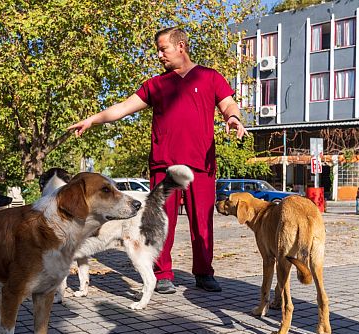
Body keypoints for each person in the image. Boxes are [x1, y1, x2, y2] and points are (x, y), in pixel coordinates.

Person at [68, 27, 247, 294]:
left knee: (202, 221)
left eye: (163, 49)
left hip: (201, 164)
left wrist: (233, 118)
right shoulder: (156, 85)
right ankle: (162, 274)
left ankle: (204, 273)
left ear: (181, 46)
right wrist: (93, 119)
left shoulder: (209, 77)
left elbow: (228, 104)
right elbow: (122, 108)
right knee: (161, 221)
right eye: (158, 50)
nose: (159, 55)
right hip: (165, 164)